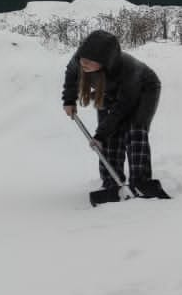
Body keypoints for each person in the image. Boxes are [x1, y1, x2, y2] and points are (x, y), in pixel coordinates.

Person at [61, 29, 164, 194]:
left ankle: (141, 181)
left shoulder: (128, 69)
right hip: (109, 90)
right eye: (82, 59)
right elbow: (71, 75)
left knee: (135, 130)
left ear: (104, 61)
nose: (83, 63)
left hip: (144, 89)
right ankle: (111, 182)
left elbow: (122, 108)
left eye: (89, 61)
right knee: (109, 136)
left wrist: (99, 135)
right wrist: (68, 100)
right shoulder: (79, 59)